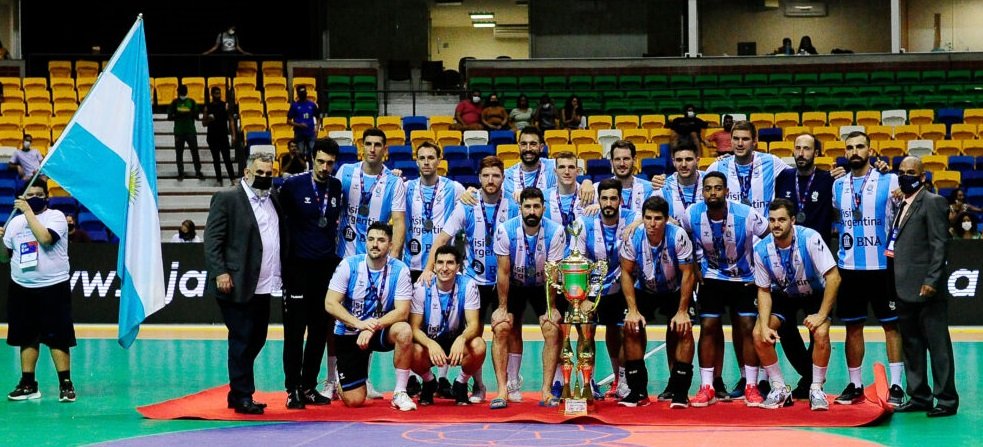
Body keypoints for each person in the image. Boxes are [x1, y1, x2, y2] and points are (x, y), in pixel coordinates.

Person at [419, 155, 520, 403]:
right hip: (474, 280)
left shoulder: (515, 206)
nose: (490, 180)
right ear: (479, 178)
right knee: (473, 336)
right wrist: (428, 268)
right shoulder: (467, 204)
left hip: (505, 280)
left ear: (503, 179)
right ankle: (478, 385)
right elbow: (442, 239)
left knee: (506, 330)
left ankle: (509, 386)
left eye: (496, 175)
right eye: (486, 175)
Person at [204, 152, 286, 415]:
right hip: (235, 283)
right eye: (259, 173)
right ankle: (242, 395)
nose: (264, 178)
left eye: (268, 173)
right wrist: (220, 272)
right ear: (246, 172)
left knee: (257, 338)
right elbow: (212, 240)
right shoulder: (227, 198)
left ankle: (236, 389)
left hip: (264, 285)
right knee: (241, 338)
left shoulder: (273, 198)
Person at [680, 172, 769, 407]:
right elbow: (678, 233)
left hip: (744, 278)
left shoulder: (746, 214)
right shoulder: (692, 214)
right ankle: (706, 386)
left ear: (726, 192)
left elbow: (770, 236)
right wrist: (694, 265)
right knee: (708, 326)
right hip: (711, 277)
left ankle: (751, 385)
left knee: (748, 327)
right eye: (708, 189)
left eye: (718, 188)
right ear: (703, 193)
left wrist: (762, 272)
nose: (713, 193)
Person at [831, 131, 905, 407]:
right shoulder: (838, 186)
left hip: (883, 265)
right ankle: (855, 384)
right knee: (852, 328)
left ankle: (897, 385)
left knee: (891, 327)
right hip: (849, 267)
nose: (854, 151)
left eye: (860, 146)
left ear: (870, 150)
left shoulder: (890, 180)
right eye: (849, 147)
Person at [751, 199, 840, 411]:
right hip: (784, 294)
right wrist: (764, 325)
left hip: (814, 293)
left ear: (792, 221)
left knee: (820, 333)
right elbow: (763, 290)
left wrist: (821, 315)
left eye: (781, 220)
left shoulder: (810, 239)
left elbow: (834, 277)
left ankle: (816, 389)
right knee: (758, 334)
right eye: (772, 220)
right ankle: (780, 388)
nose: (776, 225)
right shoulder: (762, 249)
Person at [278, 138, 344, 409]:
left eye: (330, 163)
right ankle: (292, 388)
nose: (325, 167)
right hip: (297, 268)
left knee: (319, 330)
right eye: (320, 161)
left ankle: (308, 386)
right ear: (312, 158)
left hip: (325, 268)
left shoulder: (337, 186)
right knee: (295, 331)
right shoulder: (293, 186)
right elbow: (278, 222)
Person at [890, 156, 958, 417]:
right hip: (903, 287)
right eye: (902, 171)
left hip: (927, 289)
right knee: (912, 344)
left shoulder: (933, 202)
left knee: (937, 345)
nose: (905, 175)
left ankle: (947, 400)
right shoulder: (902, 204)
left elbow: (940, 244)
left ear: (922, 177)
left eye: (911, 172)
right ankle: (919, 395)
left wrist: (932, 280)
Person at [324, 222, 417, 411]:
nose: (375, 244)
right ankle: (341, 378)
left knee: (404, 330)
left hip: (379, 331)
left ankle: (400, 392)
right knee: (354, 401)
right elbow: (330, 303)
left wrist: (371, 327)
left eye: (381, 240)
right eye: (371, 239)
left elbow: (402, 311)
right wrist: (360, 324)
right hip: (350, 332)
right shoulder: (349, 265)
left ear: (390, 245)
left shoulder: (400, 270)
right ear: (366, 242)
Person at [771, 132, 835, 398]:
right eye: (797, 148)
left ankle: (810, 382)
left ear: (816, 153)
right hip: (786, 268)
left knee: (817, 327)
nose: (801, 153)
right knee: (784, 327)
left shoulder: (828, 180)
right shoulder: (783, 178)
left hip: (816, 268)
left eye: (807, 149)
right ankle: (809, 376)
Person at [489, 187, 566, 409]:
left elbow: (553, 273)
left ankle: (546, 391)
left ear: (543, 208)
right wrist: (503, 308)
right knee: (502, 327)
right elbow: (502, 272)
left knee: (552, 327)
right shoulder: (506, 230)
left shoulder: (556, 231)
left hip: (544, 285)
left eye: (536, 206)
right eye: (527, 206)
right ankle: (503, 390)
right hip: (514, 284)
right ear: (520, 208)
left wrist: (551, 309)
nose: (532, 211)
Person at [619, 196, 696, 408]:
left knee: (684, 329)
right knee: (630, 327)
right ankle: (637, 391)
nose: (652, 224)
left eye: (658, 219)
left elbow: (688, 274)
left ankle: (680, 392)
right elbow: (625, 273)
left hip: (675, 289)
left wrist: (682, 311)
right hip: (644, 288)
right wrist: (632, 310)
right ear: (642, 218)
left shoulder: (678, 236)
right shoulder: (634, 236)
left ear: (666, 219)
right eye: (648, 218)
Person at [1, 183, 75, 403]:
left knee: (58, 338)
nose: (34, 198)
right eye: (29, 195)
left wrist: (27, 212)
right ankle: (28, 384)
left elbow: (45, 239)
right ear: (20, 197)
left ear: (47, 197)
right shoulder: (14, 223)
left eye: (38, 195)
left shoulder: (56, 217)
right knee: (26, 337)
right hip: (22, 287)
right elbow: (4, 257)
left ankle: (65, 384)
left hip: (53, 286)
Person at [571, 179, 637, 401]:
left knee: (621, 333)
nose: (609, 203)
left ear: (620, 200)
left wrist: (635, 224)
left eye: (613, 198)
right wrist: (582, 299)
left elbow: (658, 218)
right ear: (598, 200)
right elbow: (577, 263)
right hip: (592, 289)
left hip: (620, 288)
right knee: (586, 334)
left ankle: (622, 381)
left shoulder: (631, 218)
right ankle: (587, 383)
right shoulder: (584, 222)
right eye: (605, 198)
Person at [409, 245, 486, 406]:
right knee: (411, 350)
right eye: (440, 263)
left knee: (479, 345)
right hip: (430, 344)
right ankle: (429, 382)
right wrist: (430, 344)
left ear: (458, 267)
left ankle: (461, 383)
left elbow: (474, 324)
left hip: (455, 342)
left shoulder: (468, 285)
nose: (444, 268)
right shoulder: (421, 287)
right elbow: (414, 328)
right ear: (434, 266)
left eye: (450, 263)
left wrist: (462, 338)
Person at [335, 128, 407, 259]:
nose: (372, 149)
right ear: (362, 147)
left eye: (377, 145)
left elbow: (398, 223)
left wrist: (394, 256)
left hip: (377, 258)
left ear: (385, 149)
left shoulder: (394, 182)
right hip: (344, 256)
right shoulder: (345, 171)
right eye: (368, 144)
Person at [404, 142, 465, 283]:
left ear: (439, 160)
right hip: (411, 263)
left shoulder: (455, 188)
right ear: (416, 161)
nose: (426, 162)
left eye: (431, 158)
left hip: (442, 266)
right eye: (422, 158)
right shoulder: (406, 188)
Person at [707, 120, 790, 218]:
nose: (740, 143)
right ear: (731, 140)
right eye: (736, 139)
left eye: (745, 139)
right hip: (731, 230)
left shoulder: (771, 162)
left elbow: (796, 176)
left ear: (754, 141)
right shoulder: (718, 166)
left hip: (764, 231)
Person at [544, 151, 591, 232]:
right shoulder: (544, 197)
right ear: (555, 172)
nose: (566, 172)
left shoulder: (589, 193)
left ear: (578, 171)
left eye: (571, 167)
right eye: (562, 167)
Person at [606, 140, 654, 215]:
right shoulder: (600, 188)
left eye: (626, 159)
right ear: (611, 162)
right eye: (617, 159)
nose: (622, 164)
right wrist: (586, 182)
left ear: (634, 160)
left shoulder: (649, 189)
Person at [660, 141, 704, 221]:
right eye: (679, 160)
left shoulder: (708, 181)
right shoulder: (665, 186)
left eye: (688, 159)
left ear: (697, 160)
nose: (683, 165)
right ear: (673, 162)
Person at [168, 84, 204, 181]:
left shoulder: (191, 102)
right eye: (181, 91)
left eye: (184, 91)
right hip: (179, 131)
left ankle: (198, 171)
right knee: (179, 153)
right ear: (178, 92)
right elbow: (169, 116)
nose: (183, 93)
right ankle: (180, 173)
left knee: (195, 152)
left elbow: (197, 116)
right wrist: (179, 114)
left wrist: (190, 113)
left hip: (190, 131)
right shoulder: (175, 102)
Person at [202, 86, 236, 186]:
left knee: (227, 158)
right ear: (212, 94)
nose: (218, 95)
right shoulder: (207, 107)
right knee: (216, 159)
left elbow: (231, 120)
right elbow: (203, 123)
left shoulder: (225, 105)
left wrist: (233, 135)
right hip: (212, 137)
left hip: (223, 136)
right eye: (216, 93)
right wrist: (209, 119)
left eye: (219, 93)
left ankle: (232, 179)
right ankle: (219, 180)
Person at [287, 85, 320, 161]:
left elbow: (318, 117)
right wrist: (299, 125)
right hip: (299, 134)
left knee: (313, 152)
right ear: (298, 94)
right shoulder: (294, 106)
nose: (303, 94)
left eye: (304, 93)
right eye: (301, 93)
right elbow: (288, 121)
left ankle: (312, 168)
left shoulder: (312, 104)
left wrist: (316, 129)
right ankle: (302, 169)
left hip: (311, 133)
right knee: (300, 153)